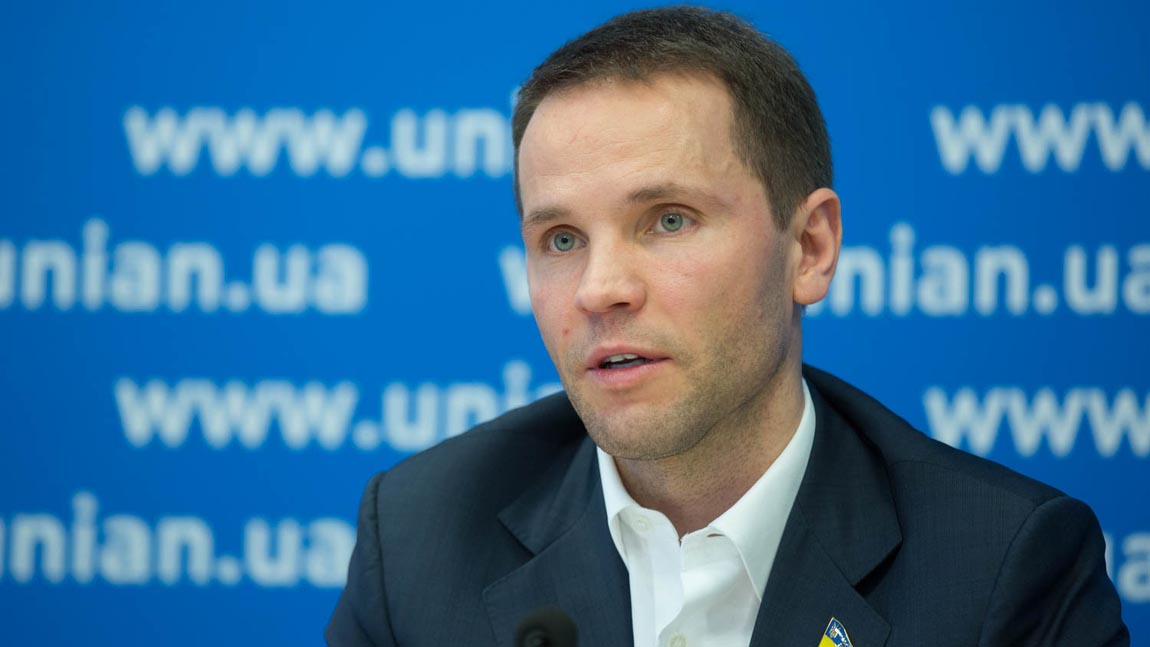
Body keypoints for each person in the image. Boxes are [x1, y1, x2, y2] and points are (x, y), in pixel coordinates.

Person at [326, 6, 1129, 646]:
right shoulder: (419, 541)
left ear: (809, 249)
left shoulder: (1000, 570)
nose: (599, 290)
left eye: (668, 220)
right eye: (561, 240)